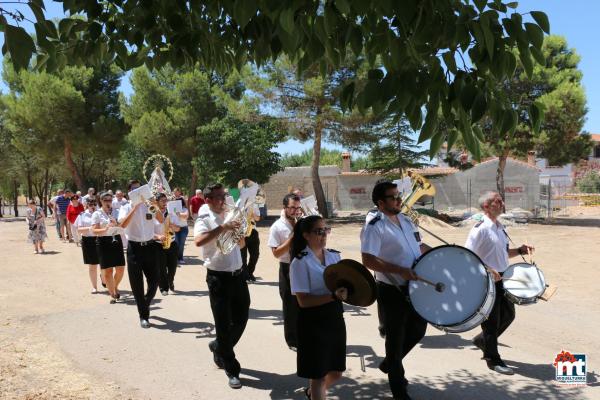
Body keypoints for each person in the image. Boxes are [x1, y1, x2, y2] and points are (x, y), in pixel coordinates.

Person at [360, 180, 431, 400]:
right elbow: (368, 260)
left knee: (418, 329)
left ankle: (390, 363)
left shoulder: (406, 220)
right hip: (391, 289)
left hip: (414, 285)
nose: (400, 199)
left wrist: (443, 255)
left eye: (399, 195)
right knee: (395, 337)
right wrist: (399, 270)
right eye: (394, 197)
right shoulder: (374, 225)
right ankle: (399, 388)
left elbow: (419, 246)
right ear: (381, 203)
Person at [466, 191, 533, 375]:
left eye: (501, 200)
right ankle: (493, 359)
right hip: (487, 279)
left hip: (503, 277)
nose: (501, 202)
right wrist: (488, 269)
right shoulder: (480, 229)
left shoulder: (500, 227)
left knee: (509, 314)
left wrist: (520, 250)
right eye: (497, 200)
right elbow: (467, 257)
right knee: (491, 321)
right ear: (486, 206)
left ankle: (482, 341)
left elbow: (503, 254)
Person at [194, 183, 249, 389]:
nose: (223, 200)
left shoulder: (229, 212)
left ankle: (218, 345)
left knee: (242, 317)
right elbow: (198, 241)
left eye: (223, 196)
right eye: (218, 197)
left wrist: (239, 231)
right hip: (219, 278)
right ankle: (232, 369)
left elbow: (241, 244)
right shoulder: (204, 216)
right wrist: (223, 227)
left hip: (238, 275)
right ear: (208, 200)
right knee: (223, 324)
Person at [290, 215, 347, 400]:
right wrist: (332, 296)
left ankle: (313, 393)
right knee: (319, 376)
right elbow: (303, 301)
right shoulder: (300, 262)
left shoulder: (334, 256)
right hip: (312, 322)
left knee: (337, 371)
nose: (323, 235)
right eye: (318, 231)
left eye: (325, 230)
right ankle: (316, 393)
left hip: (334, 317)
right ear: (306, 235)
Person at [118, 180, 163, 328]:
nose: (138, 191)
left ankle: (145, 302)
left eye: (140, 189)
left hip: (150, 247)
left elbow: (161, 220)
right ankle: (144, 316)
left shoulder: (150, 206)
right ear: (129, 192)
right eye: (134, 189)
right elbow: (122, 224)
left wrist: (154, 205)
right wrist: (135, 207)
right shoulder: (125, 207)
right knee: (137, 285)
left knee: (155, 281)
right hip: (134, 249)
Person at [267, 193, 302, 349]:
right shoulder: (277, 227)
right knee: (290, 305)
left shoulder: (302, 221)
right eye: (292, 208)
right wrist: (292, 238)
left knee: (304, 303)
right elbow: (276, 253)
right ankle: (292, 340)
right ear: (285, 208)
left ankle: (305, 335)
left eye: (298, 207)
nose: (296, 211)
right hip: (287, 267)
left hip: (303, 265)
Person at [92, 192, 126, 304]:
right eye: (105, 200)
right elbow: (94, 230)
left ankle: (114, 286)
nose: (108, 202)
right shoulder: (97, 214)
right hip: (103, 242)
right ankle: (112, 294)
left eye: (110, 200)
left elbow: (122, 225)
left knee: (120, 269)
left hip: (116, 239)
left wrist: (117, 224)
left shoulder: (116, 212)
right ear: (101, 201)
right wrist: (106, 228)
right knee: (108, 270)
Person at [153, 193, 180, 295]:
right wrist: (158, 236)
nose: (165, 203)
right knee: (161, 267)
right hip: (158, 244)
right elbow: (149, 231)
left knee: (172, 267)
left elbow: (178, 229)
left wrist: (171, 225)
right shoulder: (152, 213)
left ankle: (170, 281)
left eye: (166, 200)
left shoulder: (171, 212)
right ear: (157, 202)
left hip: (171, 242)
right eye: (162, 201)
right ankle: (163, 287)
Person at [74, 199, 101, 293]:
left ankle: (104, 279)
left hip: (100, 239)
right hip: (88, 241)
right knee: (92, 266)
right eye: (90, 204)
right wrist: (91, 228)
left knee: (104, 264)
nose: (92, 206)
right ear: (87, 205)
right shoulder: (82, 215)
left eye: (94, 204)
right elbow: (79, 230)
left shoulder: (100, 214)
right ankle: (95, 287)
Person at [241, 201, 261, 282]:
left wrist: (252, 214)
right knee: (243, 256)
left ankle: (250, 272)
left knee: (255, 255)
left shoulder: (254, 204)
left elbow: (258, 218)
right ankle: (245, 274)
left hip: (253, 231)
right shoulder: (238, 203)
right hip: (241, 232)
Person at [172, 187, 189, 264]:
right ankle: (175, 258)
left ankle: (180, 258)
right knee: (176, 243)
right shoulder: (172, 209)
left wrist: (178, 213)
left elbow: (185, 216)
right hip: (175, 228)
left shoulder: (185, 209)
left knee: (181, 244)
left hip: (184, 228)